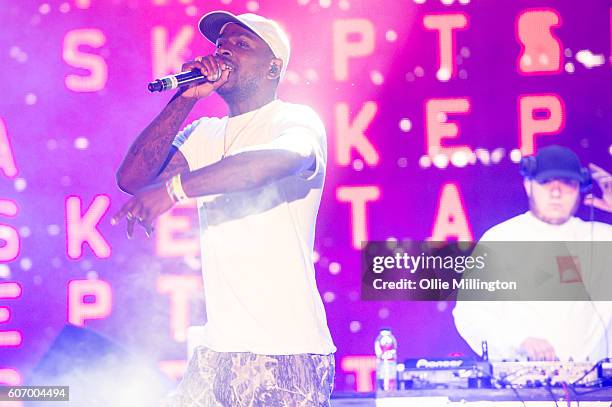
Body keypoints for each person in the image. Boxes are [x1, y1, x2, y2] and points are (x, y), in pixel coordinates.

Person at [112, 11, 336, 406]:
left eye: (241, 44)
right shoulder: (205, 133)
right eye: (221, 45)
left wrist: (176, 189)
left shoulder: (295, 120)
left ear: (273, 67)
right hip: (216, 352)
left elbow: (272, 164)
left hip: (282, 355)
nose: (224, 51)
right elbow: (133, 178)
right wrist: (183, 99)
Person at [453, 145, 612, 362]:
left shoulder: (603, 238)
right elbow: (470, 313)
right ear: (528, 185)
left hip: (597, 389)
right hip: (522, 387)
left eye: (567, 183)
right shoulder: (501, 239)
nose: (556, 192)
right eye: (546, 182)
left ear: (580, 189)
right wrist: (519, 341)